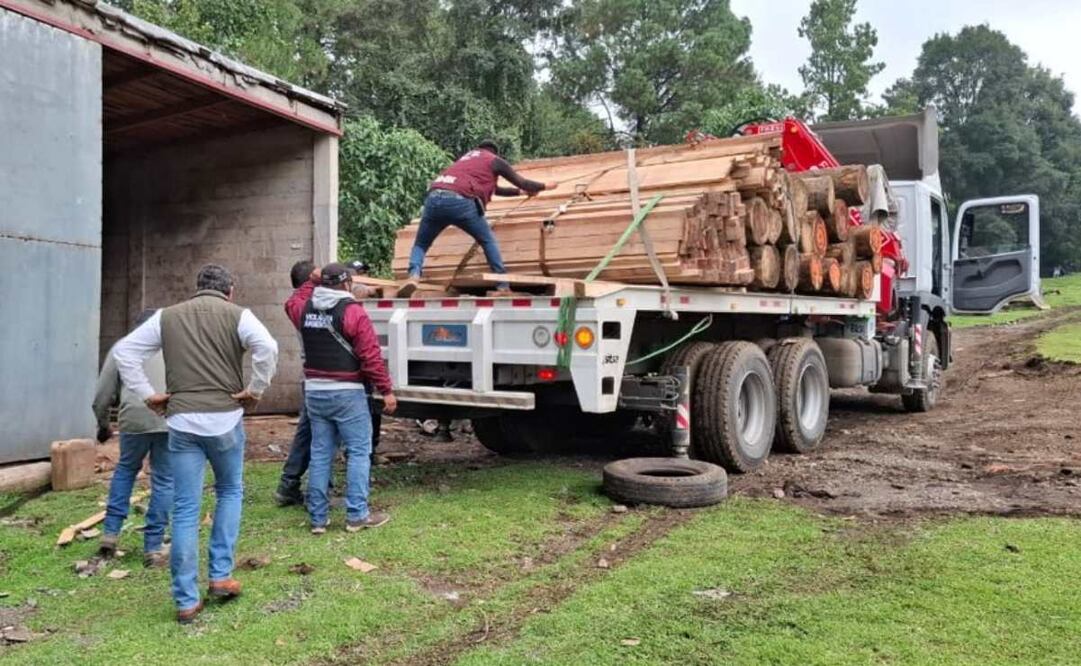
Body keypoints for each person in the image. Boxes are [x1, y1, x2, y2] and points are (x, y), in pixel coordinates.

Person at [114, 264, 278, 624]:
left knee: (186, 508)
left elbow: (124, 352)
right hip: (225, 420)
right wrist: (255, 389)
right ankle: (220, 576)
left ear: (196, 288)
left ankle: (186, 600)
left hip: (182, 422)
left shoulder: (165, 318)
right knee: (230, 491)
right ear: (230, 290)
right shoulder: (239, 315)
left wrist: (148, 394)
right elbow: (267, 347)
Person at [285, 262, 397, 535]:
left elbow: (293, 300)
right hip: (347, 393)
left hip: (315, 393)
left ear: (322, 284)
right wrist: (386, 391)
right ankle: (357, 515)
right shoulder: (353, 312)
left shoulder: (304, 310)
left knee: (321, 453)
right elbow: (370, 357)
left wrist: (311, 280)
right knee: (359, 451)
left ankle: (318, 519)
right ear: (347, 284)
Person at [400, 140, 557, 295]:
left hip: (434, 198)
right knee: (487, 240)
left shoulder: (465, 160)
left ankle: (414, 276)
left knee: (421, 244)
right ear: (495, 152)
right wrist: (545, 186)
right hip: (461, 202)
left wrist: (521, 193)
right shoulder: (493, 159)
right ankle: (502, 285)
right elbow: (522, 182)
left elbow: (495, 189)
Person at [92, 309, 173, 568]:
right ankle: (153, 547)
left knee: (125, 471)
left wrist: (103, 426)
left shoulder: (122, 347)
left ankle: (110, 533)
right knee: (163, 479)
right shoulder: (175, 347)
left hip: (133, 420)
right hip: (167, 419)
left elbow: (102, 396)